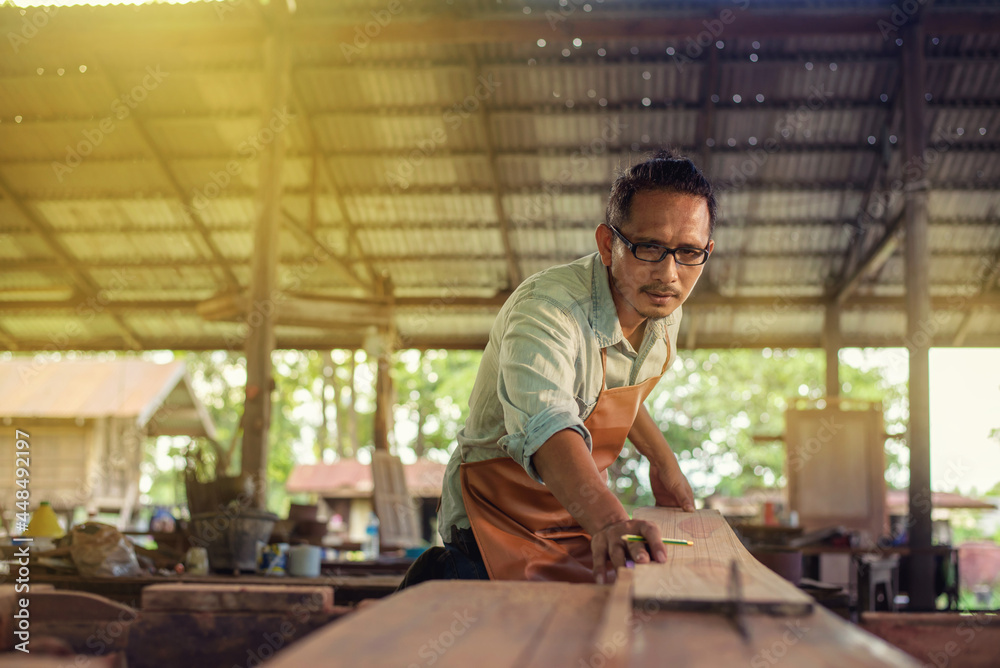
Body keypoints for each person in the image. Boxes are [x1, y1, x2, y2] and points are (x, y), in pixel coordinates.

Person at [399, 148, 716, 588]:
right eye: (649, 248)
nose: (669, 272)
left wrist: (663, 462)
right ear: (608, 244)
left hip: (577, 522)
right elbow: (548, 423)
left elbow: (612, 394)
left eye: (688, 252)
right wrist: (608, 521)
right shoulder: (546, 310)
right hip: (494, 529)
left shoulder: (662, 308)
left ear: (706, 251)